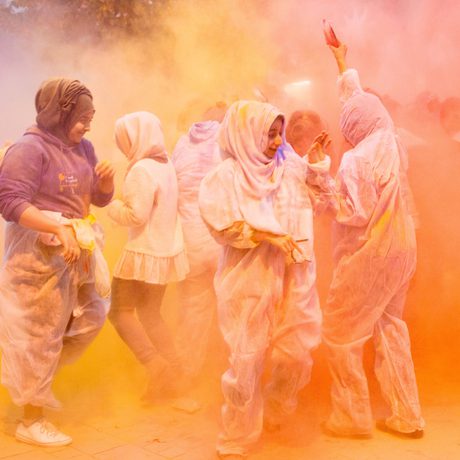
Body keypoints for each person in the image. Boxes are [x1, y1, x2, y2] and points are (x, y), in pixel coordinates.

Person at [199, 100, 328, 459]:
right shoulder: (225, 177)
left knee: (297, 352)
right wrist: (269, 235)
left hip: (294, 275)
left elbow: (319, 204)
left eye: (278, 134)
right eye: (268, 134)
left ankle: (276, 406)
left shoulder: (288, 169)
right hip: (249, 279)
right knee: (246, 360)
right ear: (245, 135)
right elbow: (222, 225)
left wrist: (316, 167)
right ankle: (236, 435)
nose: (275, 142)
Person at [317, 42, 425, 438]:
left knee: (340, 331)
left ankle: (352, 416)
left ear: (353, 128)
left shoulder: (356, 159)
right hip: (403, 246)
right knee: (390, 325)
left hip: (372, 251)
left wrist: (319, 181)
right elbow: (358, 101)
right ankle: (407, 416)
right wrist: (341, 60)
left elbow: (353, 212)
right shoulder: (391, 140)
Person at [0, 78, 115, 446]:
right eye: (81, 117)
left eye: (90, 117)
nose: (87, 125)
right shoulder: (29, 148)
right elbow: (11, 203)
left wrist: (106, 185)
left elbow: (96, 200)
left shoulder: (84, 148)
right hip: (37, 256)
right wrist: (55, 227)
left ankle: (32, 378)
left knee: (90, 318)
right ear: (57, 113)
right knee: (40, 335)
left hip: (75, 251)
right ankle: (31, 420)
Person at [107, 111, 189, 402]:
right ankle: (175, 373)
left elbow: (136, 215)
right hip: (164, 253)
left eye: (124, 140)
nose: (123, 147)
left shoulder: (141, 169)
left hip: (142, 253)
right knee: (151, 315)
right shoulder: (165, 165)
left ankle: (156, 367)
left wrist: (111, 205)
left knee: (119, 313)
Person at [171, 103, 227, 381]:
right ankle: (229, 380)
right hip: (223, 242)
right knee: (234, 313)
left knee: (193, 314)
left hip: (191, 242)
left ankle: (186, 380)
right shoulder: (231, 141)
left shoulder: (182, 145)